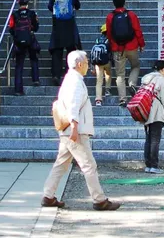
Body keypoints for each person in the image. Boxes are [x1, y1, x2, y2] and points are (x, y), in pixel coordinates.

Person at [42, 50, 120, 211]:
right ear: (79, 64)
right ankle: (99, 200)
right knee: (88, 165)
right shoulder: (75, 81)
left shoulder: (70, 79)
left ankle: (48, 196)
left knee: (61, 164)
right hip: (75, 130)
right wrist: (75, 127)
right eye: (86, 62)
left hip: (67, 130)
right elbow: (73, 105)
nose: (87, 65)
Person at [106, 0, 145, 107]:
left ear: (114, 3)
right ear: (124, 2)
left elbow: (109, 34)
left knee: (120, 74)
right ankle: (132, 84)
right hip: (132, 46)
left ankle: (122, 99)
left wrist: (113, 46)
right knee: (136, 65)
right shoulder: (131, 15)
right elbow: (137, 30)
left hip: (118, 49)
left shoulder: (110, 17)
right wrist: (141, 44)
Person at [48, 0, 81, 86]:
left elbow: (49, 6)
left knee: (57, 52)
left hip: (57, 27)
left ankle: (56, 75)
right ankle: (70, 74)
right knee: (71, 51)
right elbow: (78, 6)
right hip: (69, 27)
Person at [141, 61, 164, 174]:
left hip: (145, 111)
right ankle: (154, 166)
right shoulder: (161, 79)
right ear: (163, 69)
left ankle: (148, 165)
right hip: (157, 112)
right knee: (155, 140)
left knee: (148, 139)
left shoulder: (145, 78)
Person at [8, 0, 41, 94]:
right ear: (27, 3)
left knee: (19, 65)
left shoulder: (14, 14)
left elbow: (11, 29)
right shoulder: (32, 13)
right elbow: (36, 27)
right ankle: (35, 79)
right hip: (30, 40)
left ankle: (18, 89)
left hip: (19, 42)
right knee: (34, 58)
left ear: (19, 3)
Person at [90, 24, 112, 106]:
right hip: (107, 62)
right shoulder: (109, 40)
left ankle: (98, 99)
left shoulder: (97, 40)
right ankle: (107, 90)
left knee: (99, 81)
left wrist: (92, 65)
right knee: (108, 74)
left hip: (98, 63)